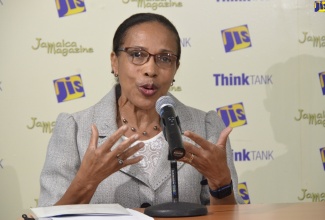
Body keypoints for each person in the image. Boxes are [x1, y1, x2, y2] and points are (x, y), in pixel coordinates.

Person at [38, 12, 244, 208]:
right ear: (114, 62)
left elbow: (231, 216)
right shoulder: (74, 130)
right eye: (137, 54)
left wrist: (221, 184)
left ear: (175, 68)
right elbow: (46, 216)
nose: (151, 70)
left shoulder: (206, 128)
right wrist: (86, 182)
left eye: (165, 58)